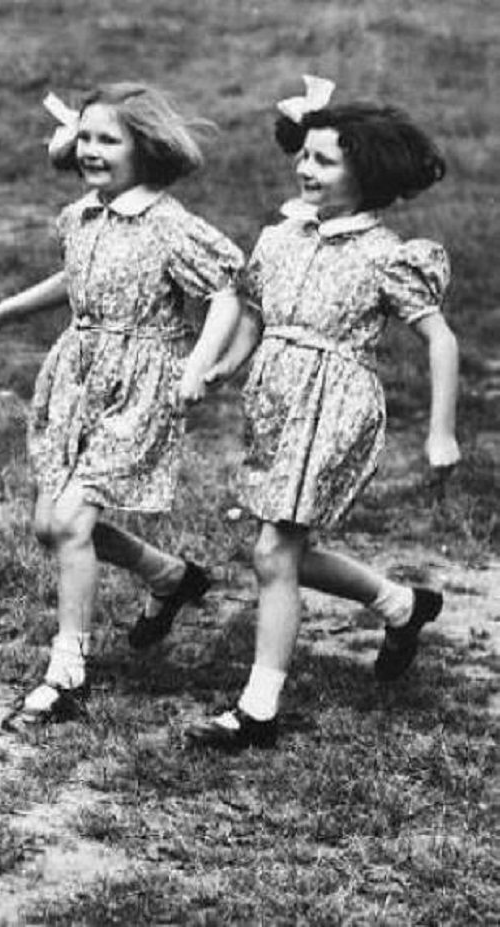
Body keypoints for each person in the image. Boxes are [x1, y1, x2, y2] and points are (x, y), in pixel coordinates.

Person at [0, 83, 244, 729]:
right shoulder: (83, 216)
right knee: (48, 524)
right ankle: (170, 577)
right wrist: (2, 312)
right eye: (84, 137)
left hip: (140, 384)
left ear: (147, 148)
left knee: (71, 525)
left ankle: (67, 673)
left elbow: (228, 290)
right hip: (77, 377)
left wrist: (198, 366)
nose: (90, 149)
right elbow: (78, 276)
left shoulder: (170, 227)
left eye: (107, 139)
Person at [185, 77, 460, 752]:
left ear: (365, 170)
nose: (306, 168)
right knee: (283, 551)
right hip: (277, 399)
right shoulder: (281, 237)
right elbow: (254, 313)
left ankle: (258, 708)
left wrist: (442, 431)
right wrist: (225, 365)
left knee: (274, 550)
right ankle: (401, 603)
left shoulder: (384, 255)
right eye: (303, 155)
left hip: (336, 405)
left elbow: (441, 339)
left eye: (325, 160)